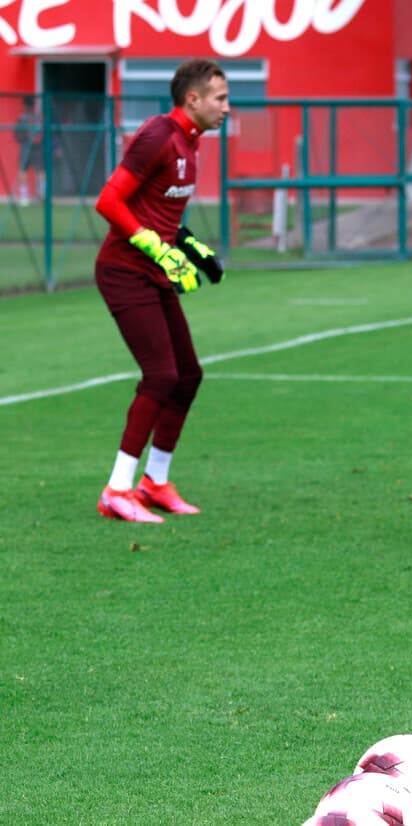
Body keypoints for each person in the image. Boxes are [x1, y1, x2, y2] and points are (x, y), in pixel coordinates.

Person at [93, 58, 229, 523]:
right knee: (161, 376)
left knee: (187, 375)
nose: (226, 108)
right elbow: (109, 200)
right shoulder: (158, 134)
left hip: (153, 270)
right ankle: (116, 490)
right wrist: (156, 248)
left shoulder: (191, 144)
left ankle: (155, 482)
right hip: (123, 271)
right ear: (192, 100)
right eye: (220, 99)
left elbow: (160, 213)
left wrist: (192, 248)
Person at [15, 96, 43, 206]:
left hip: (27, 147)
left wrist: (23, 137)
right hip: (37, 148)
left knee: (23, 170)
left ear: (25, 105)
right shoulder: (38, 118)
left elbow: (17, 134)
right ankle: (41, 194)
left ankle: (24, 197)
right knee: (40, 170)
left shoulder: (23, 118)